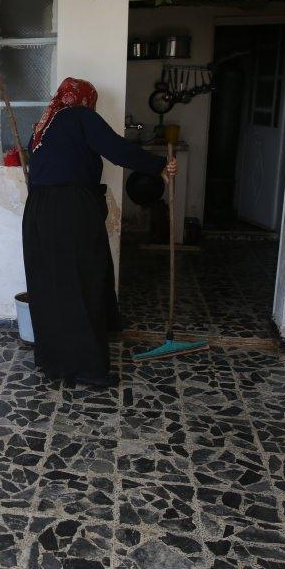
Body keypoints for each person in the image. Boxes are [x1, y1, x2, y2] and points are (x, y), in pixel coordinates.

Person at [22, 78, 176, 387]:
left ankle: (55, 362)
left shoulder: (43, 126)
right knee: (82, 283)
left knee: (51, 287)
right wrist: (158, 165)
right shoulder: (81, 117)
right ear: (85, 99)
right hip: (71, 211)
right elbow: (116, 149)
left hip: (38, 211)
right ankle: (87, 368)